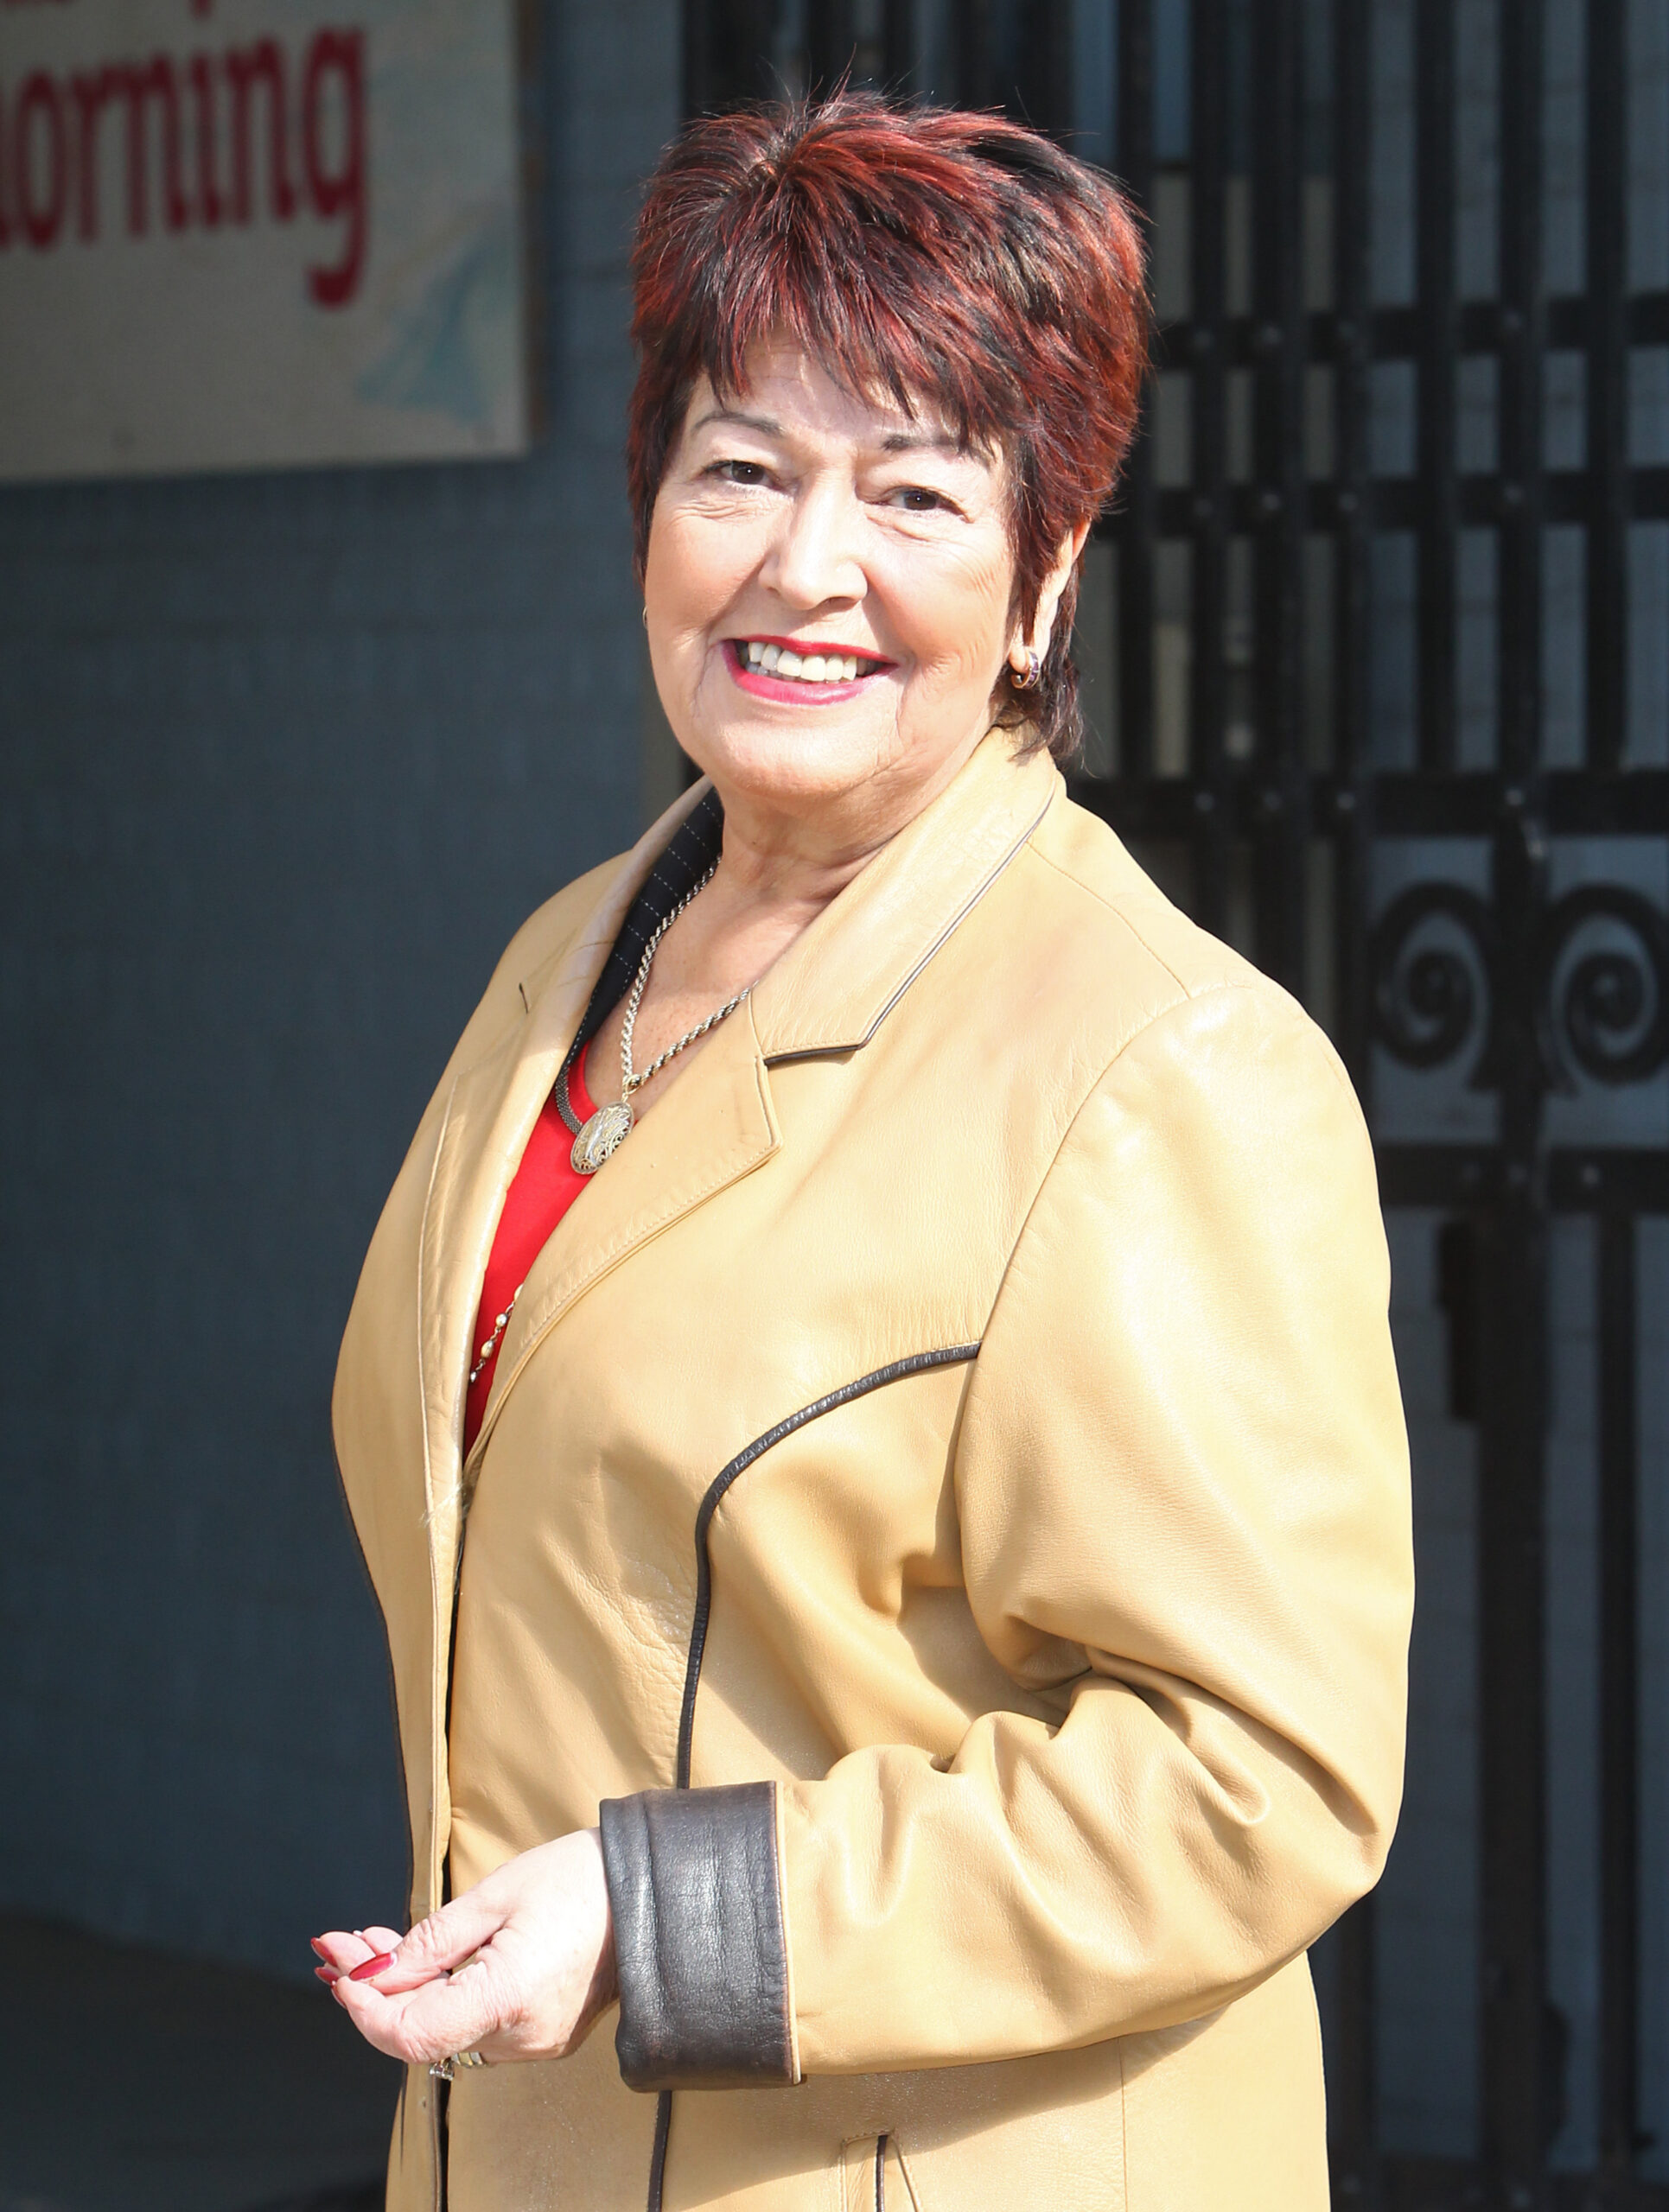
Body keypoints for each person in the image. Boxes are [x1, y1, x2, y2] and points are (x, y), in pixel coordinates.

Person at [315, 94, 1412, 2212]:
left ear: (1043, 579)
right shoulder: (573, 953)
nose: (803, 563)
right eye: (741, 466)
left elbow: (1260, 1777)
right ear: (654, 507)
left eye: (913, 491)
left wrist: (663, 1914)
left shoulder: (1158, 1065)